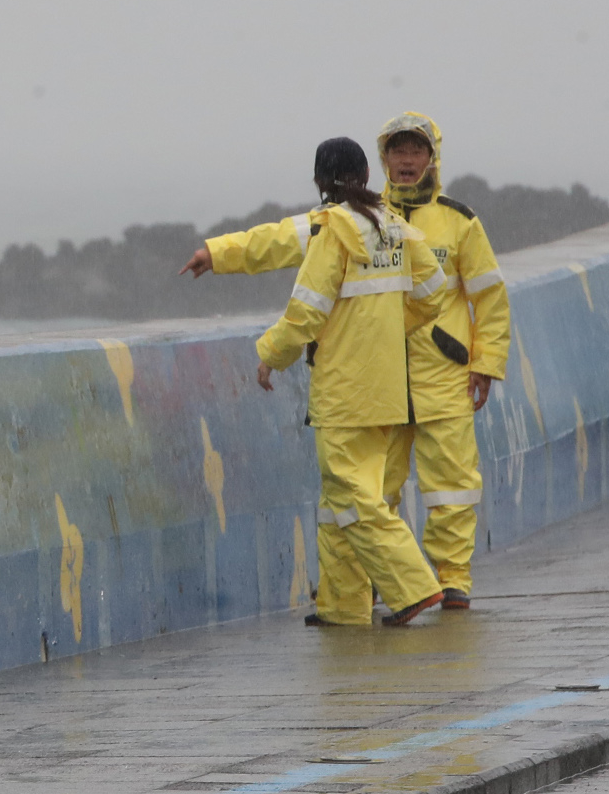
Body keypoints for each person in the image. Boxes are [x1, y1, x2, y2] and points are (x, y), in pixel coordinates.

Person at [182, 112, 509, 609]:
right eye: (397, 151)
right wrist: (218, 251)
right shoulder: (369, 218)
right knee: (378, 490)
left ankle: (448, 579)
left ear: (432, 158)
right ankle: (364, 588)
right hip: (386, 380)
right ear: (381, 160)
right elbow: (276, 239)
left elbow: (489, 296)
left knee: (452, 487)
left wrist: (486, 360)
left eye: (415, 151)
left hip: (441, 375)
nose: (405, 160)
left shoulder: (458, 222)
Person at [255, 136, 447, 627]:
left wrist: (270, 356)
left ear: (321, 181)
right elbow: (433, 292)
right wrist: (385, 325)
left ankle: (414, 588)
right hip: (385, 386)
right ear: (366, 175)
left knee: (355, 495)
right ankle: (342, 605)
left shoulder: (335, 230)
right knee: (338, 499)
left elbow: (306, 310)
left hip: (343, 390)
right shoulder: (393, 225)